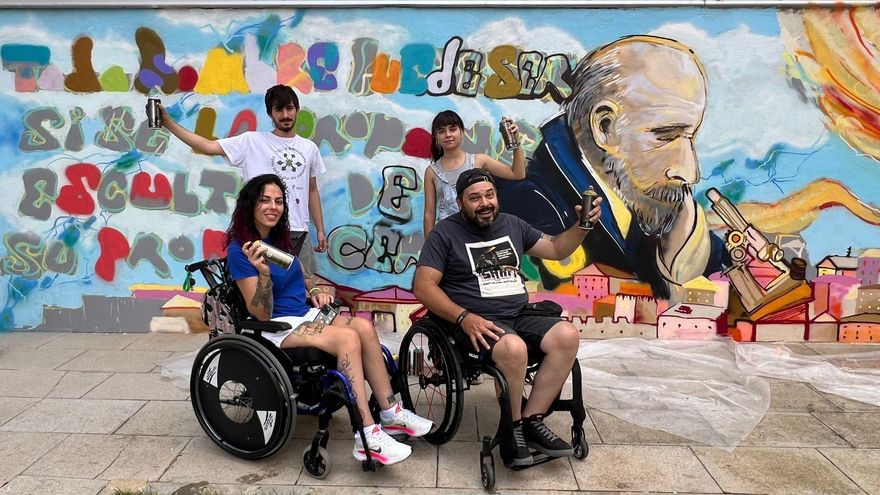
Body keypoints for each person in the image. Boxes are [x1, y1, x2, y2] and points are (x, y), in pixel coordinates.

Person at [495, 36, 728, 299]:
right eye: (666, 136)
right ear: (605, 127)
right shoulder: (529, 202)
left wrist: (693, 251)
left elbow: (727, 274)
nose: (690, 171)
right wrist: (673, 276)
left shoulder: (647, 199)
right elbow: (566, 303)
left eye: (690, 138)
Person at [225, 174, 433, 466]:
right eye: (265, 200)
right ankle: (366, 434)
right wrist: (263, 274)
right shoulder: (241, 251)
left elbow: (302, 276)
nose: (273, 207)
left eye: (278, 201)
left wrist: (316, 289)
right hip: (276, 328)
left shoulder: (278, 241)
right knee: (348, 338)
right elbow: (260, 313)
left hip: (303, 314)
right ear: (250, 204)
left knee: (362, 325)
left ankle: (389, 412)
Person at [413, 168, 602, 468]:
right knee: (514, 349)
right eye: (474, 198)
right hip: (475, 321)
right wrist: (463, 317)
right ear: (460, 202)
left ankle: (531, 420)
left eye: (489, 195)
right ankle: (512, 429)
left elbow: (555, 248)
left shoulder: (513, 224)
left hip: (518, 313)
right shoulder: (445, 233)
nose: (484, 203)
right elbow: (423, 286)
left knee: (568, 336)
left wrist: (583, 226)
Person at [157, 84, 326, 288]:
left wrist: (320, 229)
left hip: (298, 232)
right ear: (270, 113)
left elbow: (312, 189)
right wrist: (167, 122)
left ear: (297, 109)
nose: (285, 115)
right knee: (261, 290)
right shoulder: (252, 141)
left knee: (304, 288)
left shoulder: (309, 148)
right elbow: (208, 146)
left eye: (289, 108)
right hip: (263, 232)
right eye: (278, 110)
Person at [423, 110, 526, 237]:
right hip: (448, 237)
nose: (448, 134)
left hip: (480, 235)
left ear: (462, 132)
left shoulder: (479, 160)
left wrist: (516, 143)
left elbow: (517, 174)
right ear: (436, 137)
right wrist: (430, 247)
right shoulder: (432, 172)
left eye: (453, 129)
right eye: (441, 131)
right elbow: (429, 214)